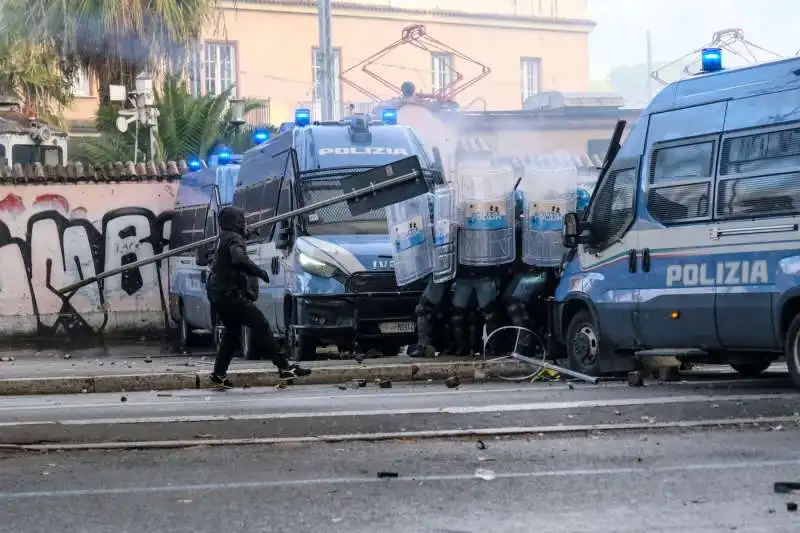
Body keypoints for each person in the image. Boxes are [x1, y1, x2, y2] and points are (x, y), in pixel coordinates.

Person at [209, 206, 310, 388]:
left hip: (217, 294)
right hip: (229, 294)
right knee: (260, 324)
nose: (244, 223)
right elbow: (238, 257)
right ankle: (284, 367)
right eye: (242, 220)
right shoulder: (233, 238)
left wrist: (249, 234)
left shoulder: (223, 237)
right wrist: (258, 271)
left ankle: (219, 373)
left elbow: (235, 244)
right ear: (236, 222)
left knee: (232, 332)